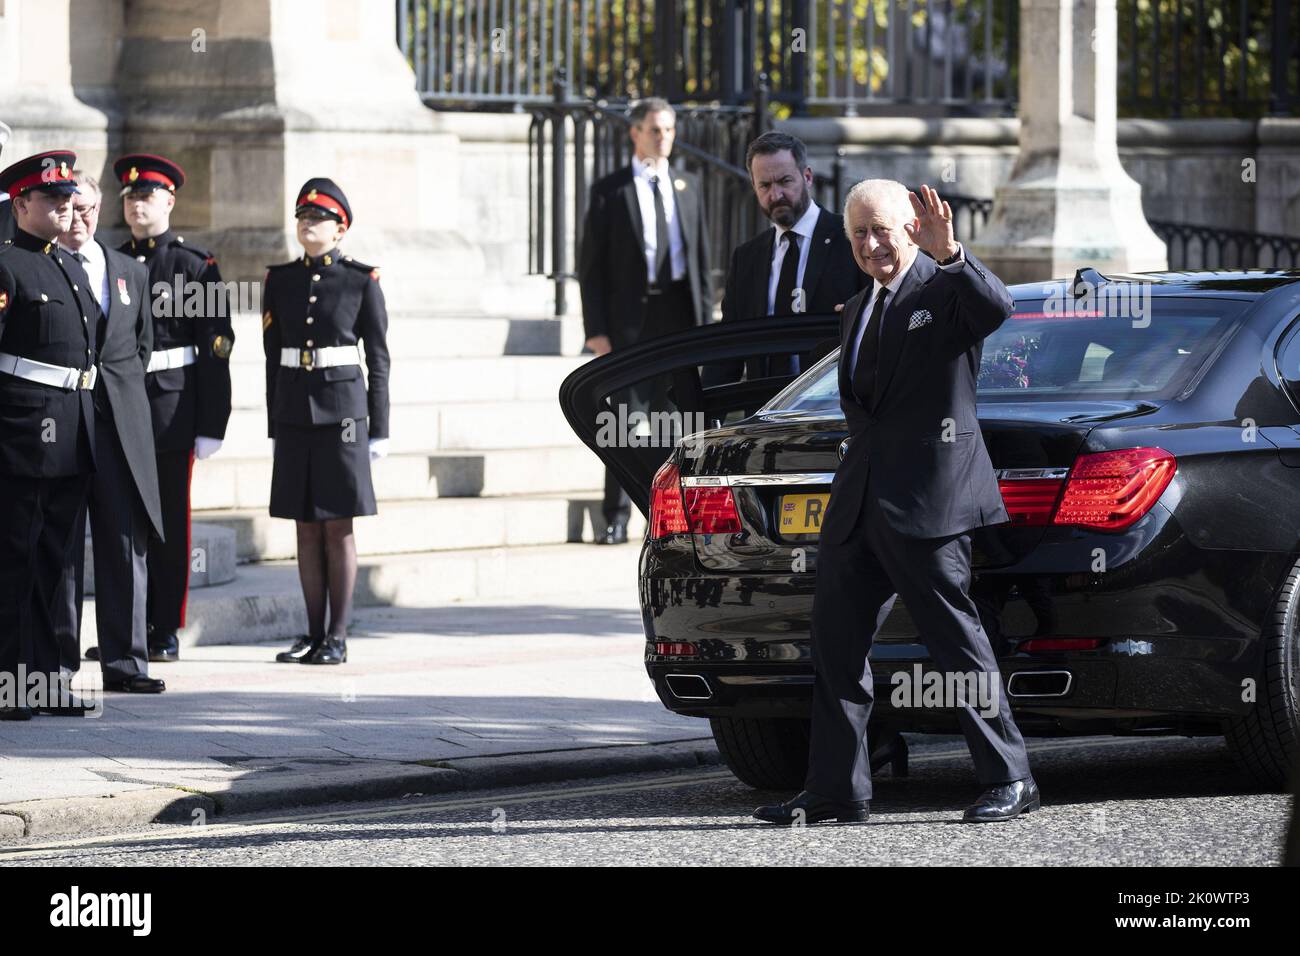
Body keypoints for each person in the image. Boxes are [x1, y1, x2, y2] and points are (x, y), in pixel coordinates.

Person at [754, 180, 1038, 826]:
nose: (870, 244)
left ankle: (1011, 777)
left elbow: (997, 308)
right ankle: (836, 789)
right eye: (858, 233)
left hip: (930, 503)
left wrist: (954, 255)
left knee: (957, 646)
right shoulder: (856, 309)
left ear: (912, 227)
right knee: (836, 646)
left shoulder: (944, 291)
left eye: (882, 229)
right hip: (858, 507)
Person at [262, 178, 390, 665]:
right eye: (302, 217)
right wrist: (275, 423)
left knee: (338, 525)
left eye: (318, 219)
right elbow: (273, 357)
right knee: (304, 525)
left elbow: (378, 358)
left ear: (341, 229)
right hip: (295, 411)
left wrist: (379, 428)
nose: (308, 224)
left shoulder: (361, 280)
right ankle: (311, 633)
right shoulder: (280, 279)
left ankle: (337, 636)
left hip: (344, 415)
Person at [114, 153, 234, 663]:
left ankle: (164, 627)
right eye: (131, 196)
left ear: (170, 201)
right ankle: (129, 628)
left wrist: (212, 422)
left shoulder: (193, 265)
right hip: (121, 405)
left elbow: (217, 348)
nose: (138, 204)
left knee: (167, 522)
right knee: (126, 523)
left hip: (171, 407)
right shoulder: (112, 261)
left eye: (148, 196)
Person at [577, 97, 712, 545]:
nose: (664, 138)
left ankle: (677, 518)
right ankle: (616, 516)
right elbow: (591, 268)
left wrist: (705, 324)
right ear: (634, 133)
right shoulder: (610, 191)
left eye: (669, 130)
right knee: (623, 423)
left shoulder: (688, 186)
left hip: (678, 315)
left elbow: (701, 262)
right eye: (655, 129)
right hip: (629, 321)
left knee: (681, 419)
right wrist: (596, 331)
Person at [58, 171, 166, 693]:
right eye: (69, 208)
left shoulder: (128, 271)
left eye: (88, 209)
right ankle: (57, 665)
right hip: (61, 429)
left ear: (101, 210)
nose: (79, 219)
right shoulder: (41, 266)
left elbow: (138, 351)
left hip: (121, 429)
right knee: (61, 552)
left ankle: (126, 664)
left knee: (125, 546)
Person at [0, 150, 98, 719]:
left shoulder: (67, 264)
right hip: (21, 435)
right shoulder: (7, 266)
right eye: (52, 200)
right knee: (14, 559)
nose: (65, 207)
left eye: (69, 198)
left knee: (56, 565)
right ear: (21, 205)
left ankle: (44, 679)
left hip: (72, 433)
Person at [712, 131, 868, 383]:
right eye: (765, 185)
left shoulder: (851, 240)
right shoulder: (746, 258)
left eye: (785, 181)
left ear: (807, 177)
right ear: (754, 186)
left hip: (833, 407)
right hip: (764, 408)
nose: (775, 195)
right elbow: (728, 350)